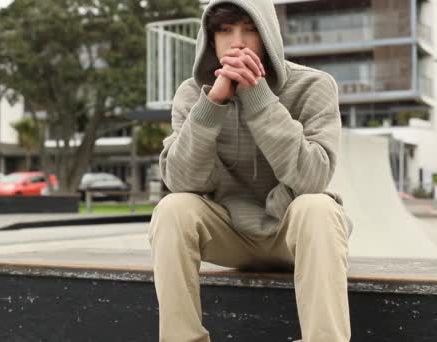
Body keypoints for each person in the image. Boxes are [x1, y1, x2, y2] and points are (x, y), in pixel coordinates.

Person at [148, 0, 352, 341]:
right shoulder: (191, 94)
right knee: (172, 209)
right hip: (229, 235)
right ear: (210, 39)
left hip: (294, 235)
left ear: (269, 35)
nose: (237, 42)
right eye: (224, 31)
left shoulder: (314, 86)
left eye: (250, 29)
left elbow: (313, 178)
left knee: (319, 207)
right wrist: (212, 105)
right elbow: (181, 180)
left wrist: (258, 98)